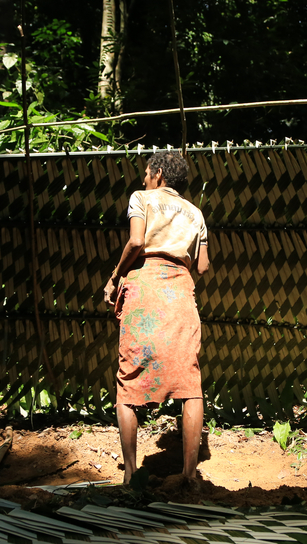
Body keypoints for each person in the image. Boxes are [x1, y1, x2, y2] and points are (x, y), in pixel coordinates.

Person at [103, 151, 210, 485]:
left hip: (144, 288)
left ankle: (132, 472)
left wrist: (115, 275)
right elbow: (203, 266)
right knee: (190, 382)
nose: (144, 179)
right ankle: (189, 474)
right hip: (180, 291)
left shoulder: (142, 198)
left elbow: (136, 241)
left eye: (147, 173)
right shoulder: (196, 213)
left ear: (159, 173)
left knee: (129, 374)